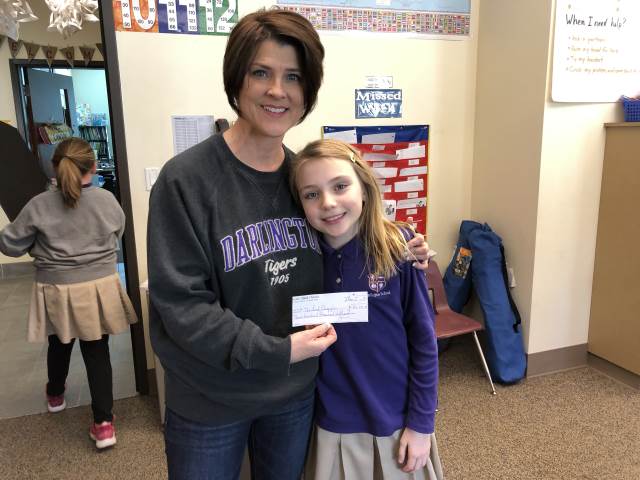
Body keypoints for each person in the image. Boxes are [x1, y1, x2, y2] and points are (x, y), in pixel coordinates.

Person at [147, 9, 429, 479]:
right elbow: (181, 306)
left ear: (308, 91)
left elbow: (351, 236)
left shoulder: (306, 181)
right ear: (236, 79)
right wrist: (277, 352)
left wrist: (405, 244)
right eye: (261, 72)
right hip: (210, 399)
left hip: (293, 395)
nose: (277, 90)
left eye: (293, 77)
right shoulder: (185, 181)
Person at [289, 139, 444, 480]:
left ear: (363, 187)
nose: (328, 203)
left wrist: (421, 423)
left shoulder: (399, 249)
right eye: (311, 194)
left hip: (395, 420)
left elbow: (423, 341)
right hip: (331, 420)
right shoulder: (301, 259)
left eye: (340, 186)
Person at [0, 137, 138, 450]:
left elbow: (10, 244)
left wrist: (35, 244)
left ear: (54, 167)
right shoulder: (107, 200)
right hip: (98, 286)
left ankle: (55, 395)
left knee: (59, 343)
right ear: (94, 166)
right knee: (97, 350)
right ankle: (104, 425)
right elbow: (118, 232)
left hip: (56, 287)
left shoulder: (38, 205)